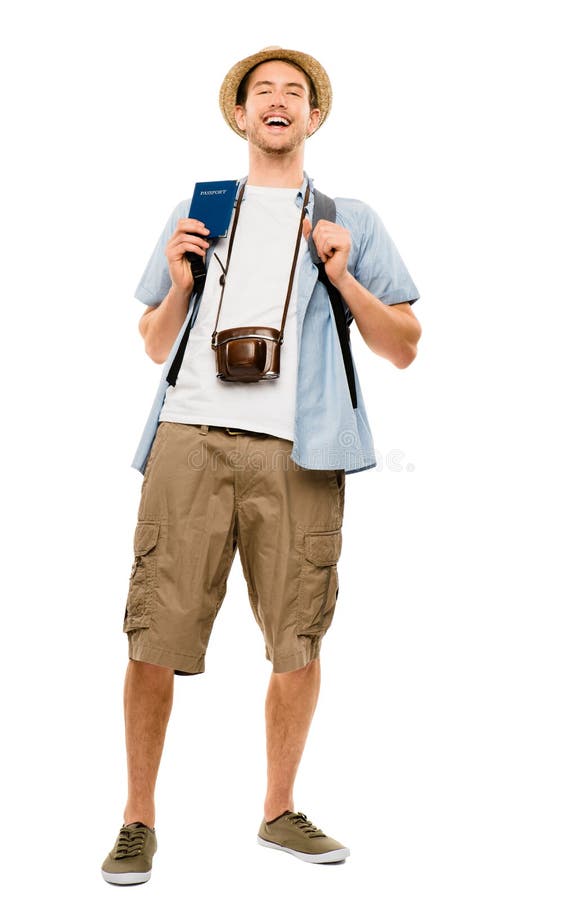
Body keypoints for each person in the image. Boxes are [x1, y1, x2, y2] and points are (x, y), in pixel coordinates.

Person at [101, 45, 421, 884]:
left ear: (313, 118)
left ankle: (278, 812)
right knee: (151, 636)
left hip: (299, 451)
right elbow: (153, 343)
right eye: (261, 93)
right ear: (239, 116)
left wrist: (343, 278)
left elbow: (405, 348)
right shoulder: (198, 209)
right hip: (188, 439)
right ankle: (138, 819)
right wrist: (176, 284)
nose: (277, 102)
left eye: (294, 93)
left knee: (297, 640)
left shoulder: (350, 217)